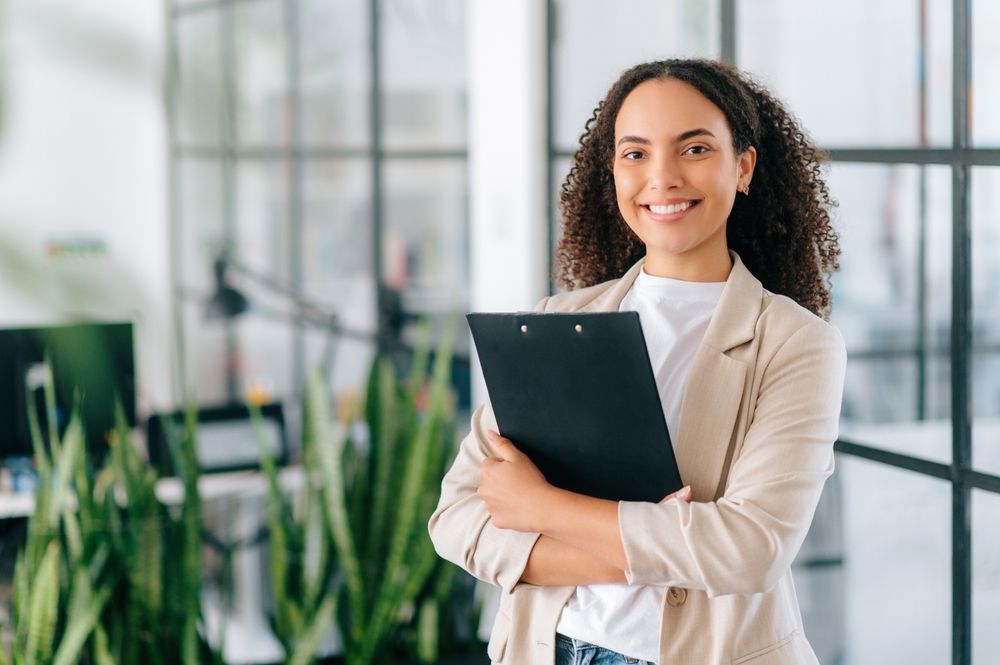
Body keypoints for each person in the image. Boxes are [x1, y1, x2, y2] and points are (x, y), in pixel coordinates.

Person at [428, 58, 846, 665]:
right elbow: (459, 517)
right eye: (635, 153)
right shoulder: (556, 319)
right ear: (614, 174)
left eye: (695, 148)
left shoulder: (794, 343)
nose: (663, 177)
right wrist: (644, 554)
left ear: (744, 167)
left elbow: (749, 549)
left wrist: (544, 508)